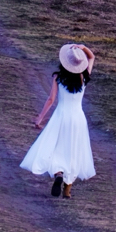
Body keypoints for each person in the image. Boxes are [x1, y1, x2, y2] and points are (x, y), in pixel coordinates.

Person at [20, 42, 97, 198]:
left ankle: (58, 174)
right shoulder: (84, 76)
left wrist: (39, 118)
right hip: (78, 118)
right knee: (74, 150)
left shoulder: (58, 77)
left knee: (56, 148)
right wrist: (83, 47)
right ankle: (68, 189)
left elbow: (51, 99)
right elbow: (92, 56)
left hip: (61, 116)